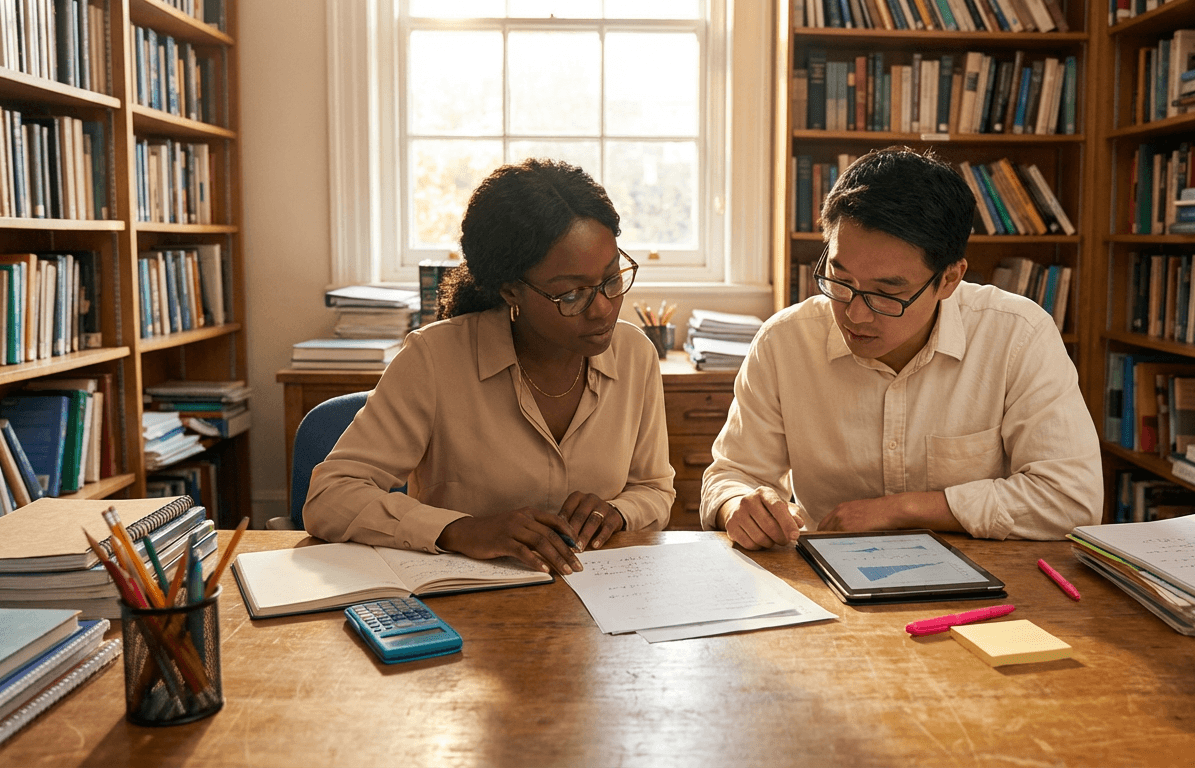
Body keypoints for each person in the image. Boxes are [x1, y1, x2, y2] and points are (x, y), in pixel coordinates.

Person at [700, 146, 1101, 549]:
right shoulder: (784, 341)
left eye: (886, 292)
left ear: (949, 279)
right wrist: (738, 505)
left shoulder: (1018, 335)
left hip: (987, 583)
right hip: (827, 579)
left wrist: (902, 510)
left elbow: (1071, 500)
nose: (854, 315)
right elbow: (730, 475)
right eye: (840, 280)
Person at [305, 159, 674, 575]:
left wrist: (618, 512)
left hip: (599, 606)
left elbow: (655, 488)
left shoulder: (635, 354)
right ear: (510, 290)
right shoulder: (434, 359)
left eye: (611, 280)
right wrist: (461, 530)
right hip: (467, 613)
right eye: (572, 295)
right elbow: (330, 496)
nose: (603, 308)